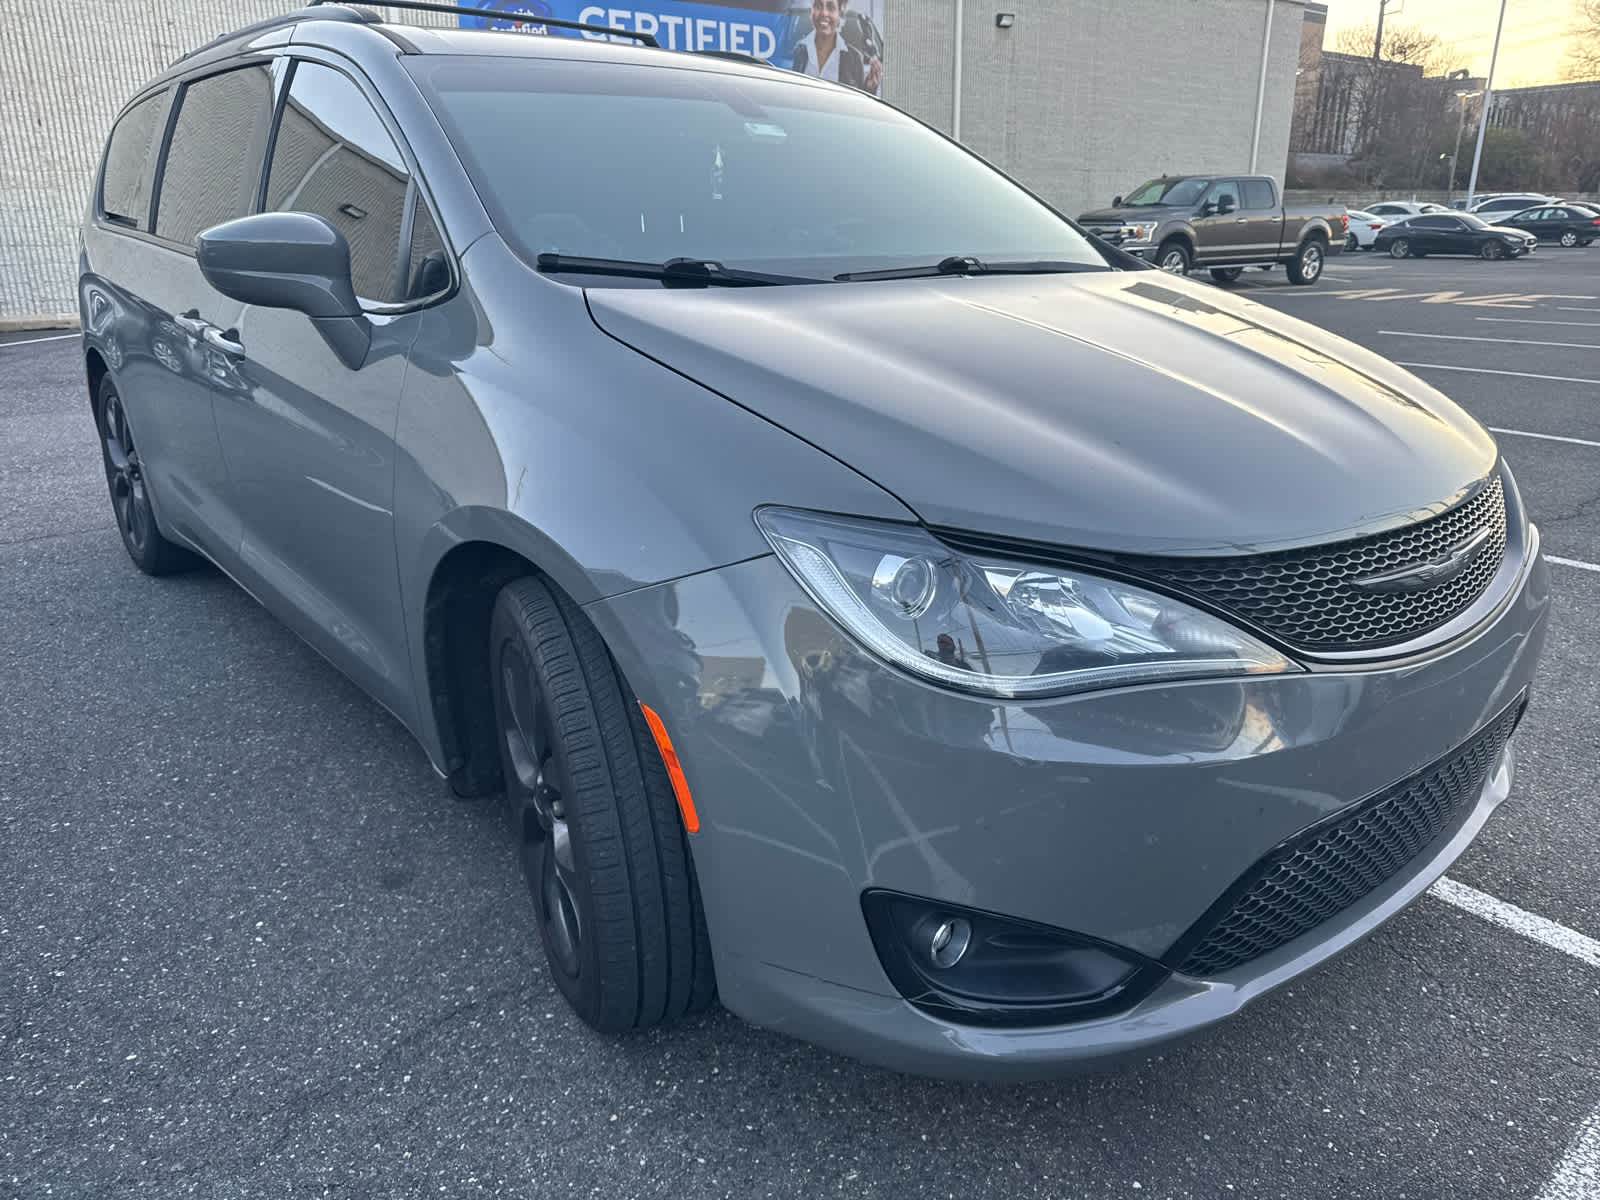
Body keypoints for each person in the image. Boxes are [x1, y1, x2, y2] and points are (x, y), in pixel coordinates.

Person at [793, 0, 879, 92]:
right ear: (812, 10)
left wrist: (870, 89)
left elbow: (858, 102)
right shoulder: (799, 51)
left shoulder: (855, 58)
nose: (824, 13)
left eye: (830, 7)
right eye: (818, 5)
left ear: (839, 13)